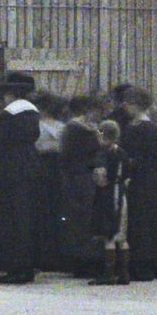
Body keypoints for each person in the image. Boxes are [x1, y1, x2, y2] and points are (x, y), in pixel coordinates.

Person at [0, 73, 42, 284]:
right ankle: (27, 266)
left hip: (12, 168)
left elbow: (0, 145)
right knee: (27, 218)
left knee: (12, 219)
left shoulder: (8, 114)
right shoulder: (32, 111)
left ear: (10, 94)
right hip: (31, 164)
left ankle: (15, 267)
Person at [116, 86, 157, 281]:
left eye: (128, 103)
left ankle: (144, 263)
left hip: (143, 179)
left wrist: (132, 163)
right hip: (140, 179)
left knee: (143, 220)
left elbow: (153, 157)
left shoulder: (147, 129)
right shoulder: (138, 127)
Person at [56, 95, 104, 276]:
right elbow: (67, 156)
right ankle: (81, 260)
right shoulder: (73, 129)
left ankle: (90, 259)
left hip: (88, 177)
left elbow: (102, 145)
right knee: (79, 219)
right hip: (78, 178)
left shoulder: (93, 128)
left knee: (89, 219)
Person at [88, 118, 131, 285]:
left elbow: (100, 175)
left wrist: (100, 182)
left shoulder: (103, 153)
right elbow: (128, 175)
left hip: (108, 194)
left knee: (109, 235)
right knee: (122, 235)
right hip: (121, 192)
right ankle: (124, 273)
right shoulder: (122, 152)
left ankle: (108, 273)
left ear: (102, 136)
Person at [30, 90, 68, 273]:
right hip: (53, 168)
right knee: (50, 210)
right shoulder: (63, 126)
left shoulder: (39, 126)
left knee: (49, 210)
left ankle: (48, 254)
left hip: (48, 168)